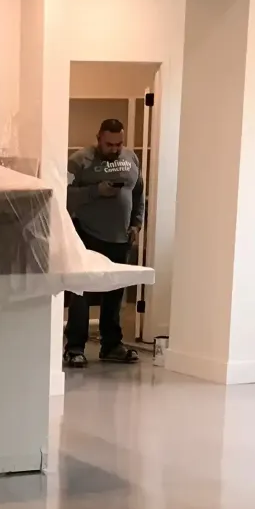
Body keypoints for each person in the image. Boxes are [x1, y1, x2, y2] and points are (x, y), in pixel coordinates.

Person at [63, 118, 145, 368]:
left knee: (115, 291)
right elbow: (63, 196)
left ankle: (112, 345)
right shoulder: (79, 161)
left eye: (119, 144)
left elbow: (138, 192)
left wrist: (137, 222)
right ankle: (75, 347)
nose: (115, 149)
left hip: (121, 237)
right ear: (98, 138)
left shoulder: (131, 158)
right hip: (87, 235)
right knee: (81, 293)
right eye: (109, 144)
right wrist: (96, 191)